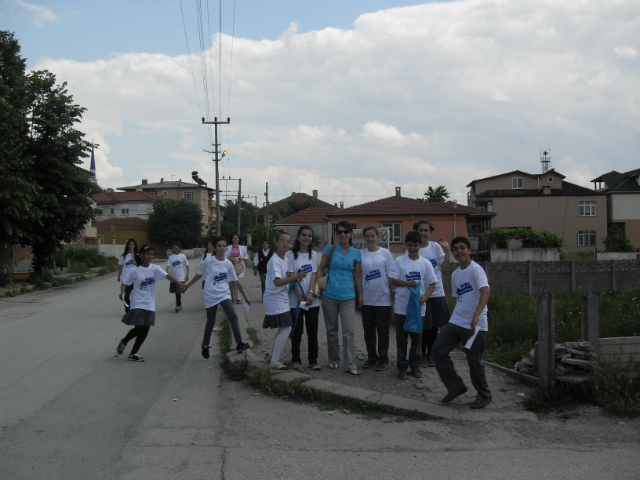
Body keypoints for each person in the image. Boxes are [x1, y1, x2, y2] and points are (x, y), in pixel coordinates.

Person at [433, 236, 492, 409]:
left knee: (473, 360)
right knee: (438, 350)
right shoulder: (456, 273)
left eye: (462, 248)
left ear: (469, 250)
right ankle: (456, 387)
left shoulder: (476, 270)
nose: (459, 251)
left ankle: (484, 394)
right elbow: (460, 298)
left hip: (476, 325)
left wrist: (476, 315)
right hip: (457, 322)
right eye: (456, 249)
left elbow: (485, 292)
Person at [183, 236, 251, 359]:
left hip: (224, 294)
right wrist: (187, 285)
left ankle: (239, 343)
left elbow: (236, 281)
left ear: (226, 248)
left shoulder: (228, 264)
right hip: (210, 295)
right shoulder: (208, 262)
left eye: (224, 246)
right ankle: (205, 344)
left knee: (233, 316)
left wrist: (245, 297)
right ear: (214, 248)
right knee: (211, 322)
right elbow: (199, 274)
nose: (222, 248)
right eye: (219, 246)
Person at [117, 245, 184, 362]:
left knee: (145, 330)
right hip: (137, 302)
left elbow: (167, 276)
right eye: (148, 254)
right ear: (142, 255)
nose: (150, 256)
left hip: (149, 303)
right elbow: (125, 283)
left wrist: (180, 284)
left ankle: (133, 353)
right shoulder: (135, 270)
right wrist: (122, 293)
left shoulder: (155, 268)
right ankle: (124, 341)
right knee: (139, 328)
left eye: (152, 254)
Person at [389, 231, 437, 380]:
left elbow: (432, 283)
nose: (412, 248)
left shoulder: (425, 264)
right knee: (401, 340)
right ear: (406, 245)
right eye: (409, 245)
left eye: (415, 245)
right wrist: (407, 283)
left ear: (420, 245)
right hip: (402, 308)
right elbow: (393, 280)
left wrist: (425, 297)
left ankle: (415, 367)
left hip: (418, 309)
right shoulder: (399, 262)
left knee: (417, 339)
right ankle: (402, 367)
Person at [317, 221, 363, 375]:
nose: (343, 234)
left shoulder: (356, 253)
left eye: (346, 231)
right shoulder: (330, 249)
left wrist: (360, 295)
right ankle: (333, 360)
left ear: (350, 234)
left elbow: (357, 275)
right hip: (329, 295)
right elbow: (321, 267)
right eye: (340, 232)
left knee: (348, 331)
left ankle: (351, 364)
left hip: (348, 297)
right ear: (336, 234)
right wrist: (316, 287)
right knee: (331, 330)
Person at [263, 230, 307, 371]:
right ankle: (274, 361)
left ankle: (270, 356)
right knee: (287, 328)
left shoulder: (286, 259)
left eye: (288, 241)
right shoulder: (274, 260)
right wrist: (296, 277)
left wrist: (296, 277)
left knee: (283, 328)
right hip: (274, 298)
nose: (286, 244)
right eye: (283, 241)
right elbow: (277, 282)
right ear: (276, 243)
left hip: (282, 298)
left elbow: (289, 275)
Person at [414, 220, 451, 367]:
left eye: (426, 230)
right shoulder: (414, 248)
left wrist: (447, 250)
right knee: (424, 326)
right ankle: (422, 354)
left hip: (437, 292)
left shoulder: (436, 247)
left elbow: (446, 265)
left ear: (430, 232)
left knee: (435, 326)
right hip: (422, 293)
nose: (423, 233)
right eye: (420, 230)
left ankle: (431, 354)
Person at [359, 225, 394, 371]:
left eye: (373, 236)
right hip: (367, 299)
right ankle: (371, 357)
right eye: (367, 236)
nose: (370, 238)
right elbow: (359, 276)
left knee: (383, 331)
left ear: (378, 237)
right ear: (364, 238)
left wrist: (392, 294)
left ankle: (384, 358)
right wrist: (359, 295)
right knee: (368, 331)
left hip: (383, 299)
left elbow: (391, 275)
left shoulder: (385, 254)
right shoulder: (361, 254)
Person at [286, 225, 321, 371]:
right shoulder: (290, 255)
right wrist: (300, 297)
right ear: (298, 237)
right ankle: (295, 359)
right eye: (304, 235)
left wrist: (310, 293)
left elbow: (314, 275)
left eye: (309, 236)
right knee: (297, 331)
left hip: (312, 301)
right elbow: (290, 276)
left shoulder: (314, 255)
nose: (307, 238)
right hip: (296, 301)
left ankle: (313, 360)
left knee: (312, 332)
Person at [166, 242, 189, 313]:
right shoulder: (171, 257)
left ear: (179, 248)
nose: (175, 249)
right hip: (174, 277)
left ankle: (178, 305)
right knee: (176, 292)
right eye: (174, 248)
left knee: (178, 291)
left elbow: (187, 265)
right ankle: (179, 304)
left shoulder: (182, 256)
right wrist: (168, 273)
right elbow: (168, 266)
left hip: (181, 277)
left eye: (176, 248)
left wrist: (187, 274)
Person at [225, 234, 248, 304]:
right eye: (234, 238)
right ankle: (232, 297)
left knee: (239, 282)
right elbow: (225, 256)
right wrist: (232, 258)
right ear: (232, 239)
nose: (235, 239)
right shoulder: (228, 248)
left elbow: (246, 257)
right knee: (232, 282)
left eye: (237, 238)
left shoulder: (242, 248)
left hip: (240, 265)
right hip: (231, 265)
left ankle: (238, 298)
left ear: (239, 239)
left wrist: (241, 258)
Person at [118, 238, 138, 313]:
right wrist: (118, 276)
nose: (131, 246)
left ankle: (134, 309)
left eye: (132, 244)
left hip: (135, 278)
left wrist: (133, 254)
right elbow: (120, 266)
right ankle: (127, 311)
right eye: (130, 244)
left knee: (135, 295)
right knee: (127, 295)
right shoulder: (124, 256)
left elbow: (135, 263)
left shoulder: (137, 255)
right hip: (126, 277)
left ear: (135, 246)